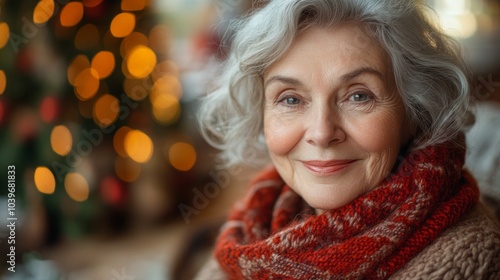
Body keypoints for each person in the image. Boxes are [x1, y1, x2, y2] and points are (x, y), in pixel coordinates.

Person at [196, 0, 500, 279]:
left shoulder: (470, 260)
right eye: (290, 99)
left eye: (358, 95)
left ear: (414, 113)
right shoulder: (251, 225)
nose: (322, 132)